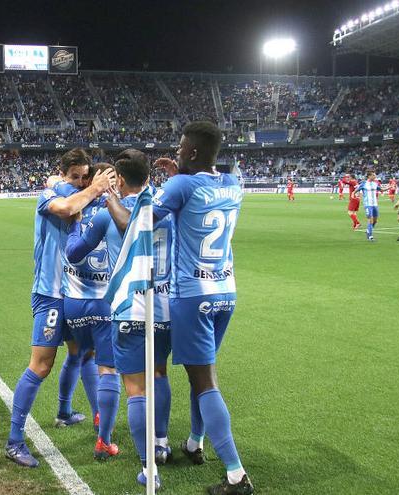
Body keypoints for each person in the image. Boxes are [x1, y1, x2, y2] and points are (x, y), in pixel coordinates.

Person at [148, 121, 253, 494]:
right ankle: (195, 442)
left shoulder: (179, 185)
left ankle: (236, 475)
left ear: (191, 152)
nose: (175, 152)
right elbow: (197, 192)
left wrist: (110, 195)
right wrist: (181, 177)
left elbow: (142, 222)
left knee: (205, 382)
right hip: (226, 291)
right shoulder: (232, 184)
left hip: (192, 295)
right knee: (201, 374)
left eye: (179, 148)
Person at [66, 149, 175, 486]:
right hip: (166, 307)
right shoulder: (165, 207)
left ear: (120, 180)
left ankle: (148, 469)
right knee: (159, 374)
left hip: (128, 307)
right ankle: (162, 443)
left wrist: (73, 226)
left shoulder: (104, 216)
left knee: (135, 390)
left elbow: (74, 252)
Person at [4, 148, 115, 468]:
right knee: (41, 365)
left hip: (75, 294)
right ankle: (14, 441)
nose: (79, 182)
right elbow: (65, 208)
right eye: (74, 177)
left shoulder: (83, 197)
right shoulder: (51, 195)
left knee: (82, 355)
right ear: (63, 174)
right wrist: (93, 187)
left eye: (84, 177)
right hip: (50, 294)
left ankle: (74, 414)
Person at [56, 163, 118, 459]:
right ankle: (103, 436)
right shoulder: (120, 211)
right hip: (107, 303)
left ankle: (72, 409)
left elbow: (72, 251)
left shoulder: (76, 210)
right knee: (110, 369)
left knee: (82, 356)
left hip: (75, 303)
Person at [355, 171, 382, 241]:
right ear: (369, 176)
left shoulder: (375, 184)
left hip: (375, 204)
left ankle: (368, 230)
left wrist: (389, 187)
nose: (375, 177)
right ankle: (370, 236)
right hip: (368, 205)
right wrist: (353, 194)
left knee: (375, 221)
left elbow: (381, 190)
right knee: (370, 220)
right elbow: (356, 190)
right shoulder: (364, 184)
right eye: (373, 175)